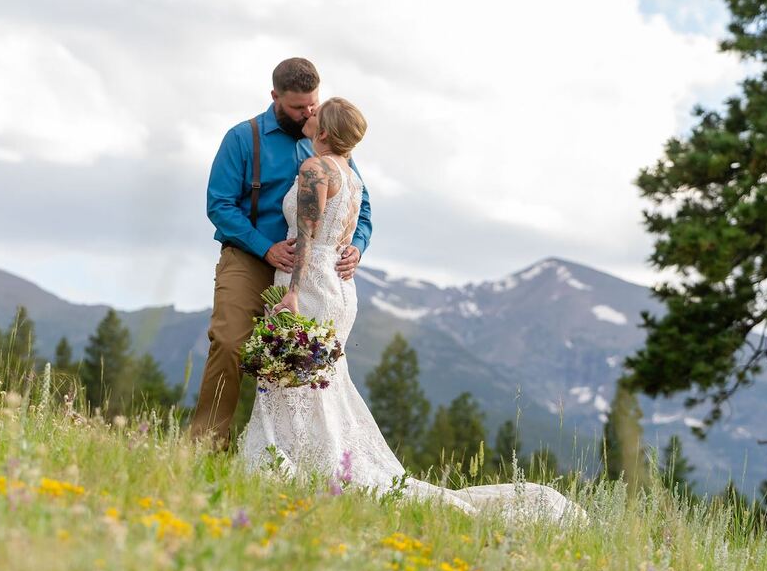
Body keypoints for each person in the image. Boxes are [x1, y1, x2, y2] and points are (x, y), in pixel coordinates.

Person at [240, 98, 586, 525]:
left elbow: (308, 235)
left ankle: (298, 465)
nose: (307, 115)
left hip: (310, 282)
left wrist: (291, 292)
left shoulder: (316, 169)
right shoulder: (352, 179)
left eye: (315, 114)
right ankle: (319, 461)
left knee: (295, 378)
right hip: (340, 287)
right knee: (320, 383)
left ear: (325, 132)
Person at [190, 58, 371, 448]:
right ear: (275, 97)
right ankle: (207, 445)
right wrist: (264, 247)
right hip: (250, 258)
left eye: (313, 105)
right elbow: (219, 204)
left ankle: (294, 454)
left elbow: (361, 204)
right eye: (298, 107)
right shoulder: (242, 138)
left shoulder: (327, 139)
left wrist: (358, 245)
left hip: (308, 274)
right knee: (229, 342)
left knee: (305, 364)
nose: (308, 113)